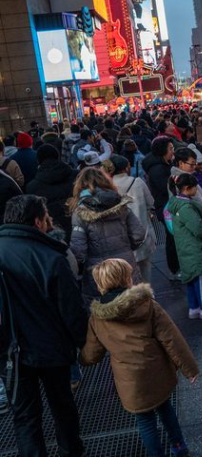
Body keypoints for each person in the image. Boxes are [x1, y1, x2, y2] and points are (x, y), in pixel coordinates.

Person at [80, 259, 198, 457]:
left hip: (130, 381)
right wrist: (189, 368)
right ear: (127, 279)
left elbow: (93, 352)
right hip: (157, 370)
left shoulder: (97, 317)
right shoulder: (147, 305)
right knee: (166, 408)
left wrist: (81, 360)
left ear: (100, 284)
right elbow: (172, 339)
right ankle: (179, 446)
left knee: (145, 421)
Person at [0, 195, 89, 456]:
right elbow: (71, 309)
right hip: (51, 348)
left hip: (9, 353)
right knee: (62, 407)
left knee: (25, 417)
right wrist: (84, 344)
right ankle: (71, 451)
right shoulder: (50, 255)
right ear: (38, 222)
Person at [69, 167, 146, 297]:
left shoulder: (80, 212)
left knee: (105, 309)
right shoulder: (121, 204)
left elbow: (78, 250)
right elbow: (138, 234)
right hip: (126, 263)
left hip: (99, 271)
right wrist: (126, 247)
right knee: (133, 303)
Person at [166, 173, 202, 319]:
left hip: (186, 247)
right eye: (195, 188)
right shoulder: (185, 207)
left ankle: (194, 307)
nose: (196, 190)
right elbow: (198, 227)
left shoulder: (177, 203)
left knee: (191, 279)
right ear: (187, 188)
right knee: (200, 277)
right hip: (194, 248)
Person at [112, 155, 157, 284]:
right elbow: (151, 202)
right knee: (145, 267)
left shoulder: (108, 186)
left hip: (121, 236)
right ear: (126, 168)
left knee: (127, 272)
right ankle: (148, 294)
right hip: (142, 232)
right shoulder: (137, 182)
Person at [142, 137, 180, 280]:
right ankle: (174, 269)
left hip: (167, 206)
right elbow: (165, 188)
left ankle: (175, 268)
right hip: (166, 207)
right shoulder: (157, 168)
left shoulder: (162, 164)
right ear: (163, 151)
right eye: (170, 149)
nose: (172, 151)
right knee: (172, 239)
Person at [25, 144, 75, 240]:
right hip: (81, 228)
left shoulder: (32, 187)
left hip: (53, 235)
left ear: (38, 161)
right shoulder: (76, 176)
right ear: (58, 156)